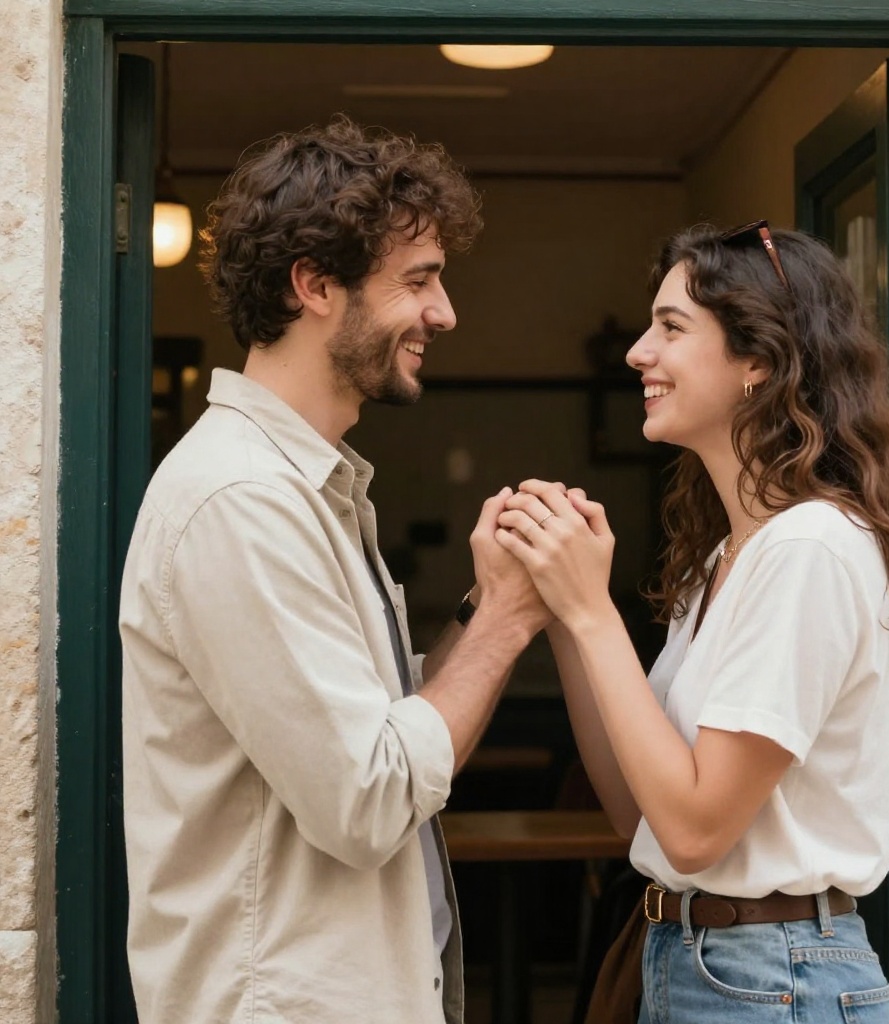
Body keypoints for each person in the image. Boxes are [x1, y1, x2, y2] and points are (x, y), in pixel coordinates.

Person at [118, 116, 548, 1024]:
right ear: (314, 285)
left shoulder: (308, 488)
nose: (445, 313)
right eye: (420, 282)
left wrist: (483, 607)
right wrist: (510, 620)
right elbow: (370, 795)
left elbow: (378, 734)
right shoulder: (238, 499)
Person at [495, 221, 889, 1022]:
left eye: (671, 328)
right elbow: (648, 818)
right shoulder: (724, 562)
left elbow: (699, 832)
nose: (639, 352)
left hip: (775, 977)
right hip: (708, 965)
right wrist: (560, 609)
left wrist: (593, 609)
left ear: (760, 362)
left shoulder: (810, 547)